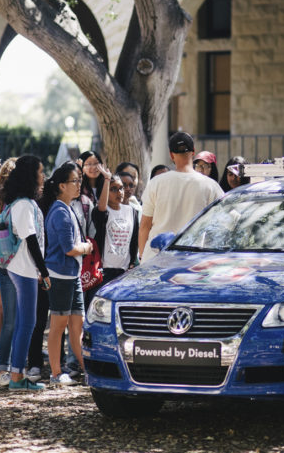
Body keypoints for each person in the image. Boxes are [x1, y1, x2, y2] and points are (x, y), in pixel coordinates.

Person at [0, 155, 49, 390]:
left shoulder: (22, 203)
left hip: (23, 267)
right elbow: (31, 240)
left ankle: (17, 374)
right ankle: (17, 377)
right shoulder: (24, 205)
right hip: (24, 268)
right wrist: (44, 271)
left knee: (24, 322)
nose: (43, 175)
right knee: (27, 323)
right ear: (31, 175)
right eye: (40, 171)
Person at [42, 162, 92, 386]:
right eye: (75, 180)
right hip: (60, 275)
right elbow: (69, 248)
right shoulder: (60, 211)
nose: (79, 184)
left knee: (76, 326)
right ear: (61, 185)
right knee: (58, 325)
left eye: (79, 180)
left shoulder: (66, 207)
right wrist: (86, 248)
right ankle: (55, 373)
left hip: (72, 275)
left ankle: (87, 370)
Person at [139, 132, 224, 263]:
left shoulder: (156, 183)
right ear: (193, 152)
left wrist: (142, 257)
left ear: (171, 155)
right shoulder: (210, 186)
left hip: (156, 260)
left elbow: (145, 225)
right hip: (192, 261)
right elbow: (222, 224)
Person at [88, 172, 139, 307]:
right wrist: (106, 180)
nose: (119, 192)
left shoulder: (131, 212)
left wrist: (132, 263)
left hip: (123, 272)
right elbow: (101, 211)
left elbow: (134, 240)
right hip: (103, 272)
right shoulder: (100, 212)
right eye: (113, 189)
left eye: (121, 188)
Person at [0, 158, 17, 370]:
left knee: (3, 309)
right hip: (7, 259)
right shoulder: (12, 201)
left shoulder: (0, 197)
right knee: (7, 311)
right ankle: (2, 356)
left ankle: (1, 354)